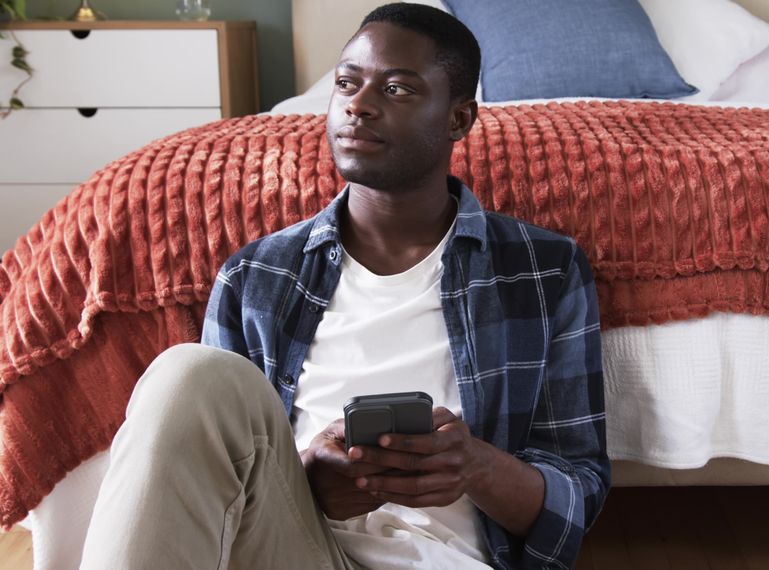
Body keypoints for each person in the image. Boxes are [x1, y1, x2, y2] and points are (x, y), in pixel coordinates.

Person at [79, 3, 609, 569]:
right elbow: (217, 470)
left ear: (459, 119)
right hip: (295, 552)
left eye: (398, 89)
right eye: (346, 83)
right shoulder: (258, 275)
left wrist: (475, 465)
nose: (358, 105)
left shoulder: (542, 270)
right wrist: (309, 478)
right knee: (189, 373)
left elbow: (579, 494)